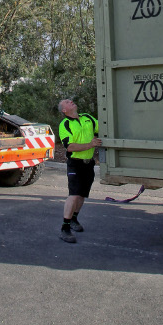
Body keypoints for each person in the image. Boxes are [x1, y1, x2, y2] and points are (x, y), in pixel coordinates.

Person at [58, 98, 102, 244]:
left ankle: (74, 219)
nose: (71, 101)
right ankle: (65, 228)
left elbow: (101, 128)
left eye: (70, 100)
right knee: (74, 195)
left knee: (82, 195)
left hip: (88, 164)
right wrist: (90, 144)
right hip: (75, 164)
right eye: (67, 102)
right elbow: (69, 147)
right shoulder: (65, 124)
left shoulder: (87, 118)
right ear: (64, 110)